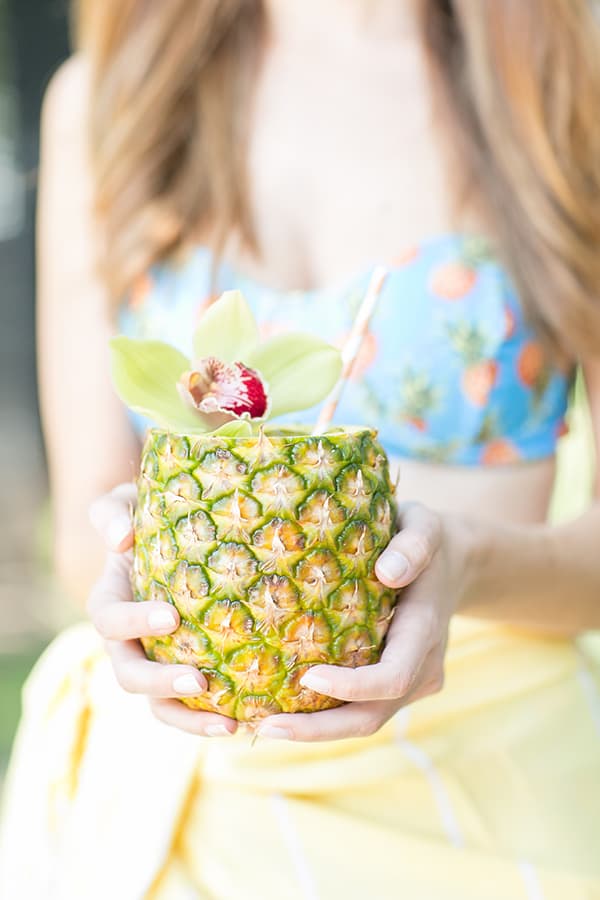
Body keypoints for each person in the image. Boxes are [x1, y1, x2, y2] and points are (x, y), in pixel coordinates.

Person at [2, 0, 600, 897]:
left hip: (488, 786)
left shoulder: (564, 76)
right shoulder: (110, 98)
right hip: (175, 793)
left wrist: (468, 562)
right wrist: (128, 570)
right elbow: (89, 509)